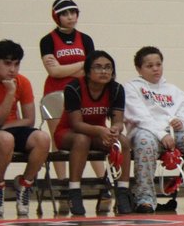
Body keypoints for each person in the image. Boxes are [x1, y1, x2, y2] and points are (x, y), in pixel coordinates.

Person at [123, 46, 184, 214]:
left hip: (175, 133)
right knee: (145, 142)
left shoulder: (173, 90)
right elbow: (140, 116)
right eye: (149, 65)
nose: (155, 69)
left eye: (158, 64)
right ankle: (145, 200)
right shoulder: (131, 88)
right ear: (139, 68)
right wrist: (162, 134)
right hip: (147, 132)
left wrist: (180, 122)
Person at [40, 0, 104, 202]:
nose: (70, 17)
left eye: (73, 13)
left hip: (80, 92)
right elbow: (54, 71)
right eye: (65, 14)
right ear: (56, 16)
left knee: (90, 132)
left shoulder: (85, 39)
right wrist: (81, 64)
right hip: (55, 94)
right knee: (58, 137)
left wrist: (67, 68)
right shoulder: (47, 40)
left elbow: (91, 70)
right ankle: (61, 183)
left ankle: (103, 180)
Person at [55, 50, 131, 216]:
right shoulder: (73, 87)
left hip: (98, 133)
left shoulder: (117, 89)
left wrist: (115, 130)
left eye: (108, 67)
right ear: (88, 71)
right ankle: (74, 192)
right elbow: (76, 124)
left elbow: (118, 121)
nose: (104, 71)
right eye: (98, 67)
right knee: (82, 140)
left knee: (123, 142)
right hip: (68, 133)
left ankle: (122, 192)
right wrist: (100, 130)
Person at [0, 40, 51, 218]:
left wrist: (7, 126)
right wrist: (10, 93)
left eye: (16, 64)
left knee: (42, 138)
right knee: (6, 139)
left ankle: (24, 184)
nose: (12, 69)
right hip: (3, 134)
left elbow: (29, 119)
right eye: (7, 63)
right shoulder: (12, 86)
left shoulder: (23, 82)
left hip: (10, 128)